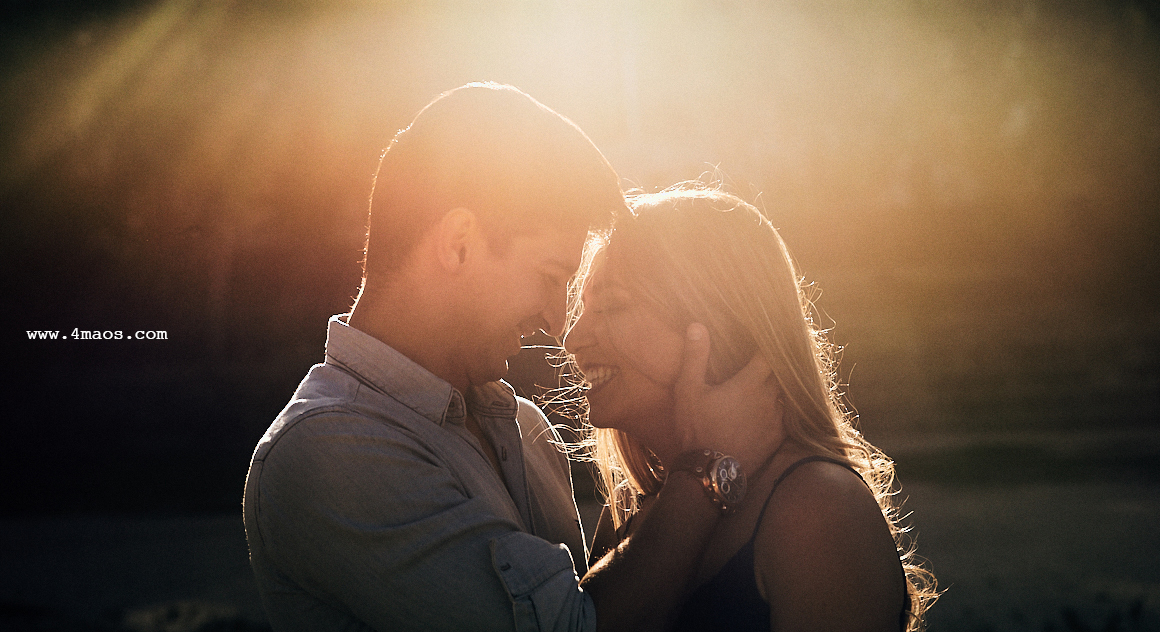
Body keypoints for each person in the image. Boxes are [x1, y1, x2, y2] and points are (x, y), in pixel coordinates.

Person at [243, 83, 784, 632]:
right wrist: (707, 469)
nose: (558, 322)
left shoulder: (526, 431)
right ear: (458, 242)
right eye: (551, 278)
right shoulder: (328, 450)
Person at [566, 184, 939, 631]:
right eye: (583, 308)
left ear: (711, 318)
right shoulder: (631, 512)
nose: (574, 340)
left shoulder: (815, 509)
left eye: (611, 306)